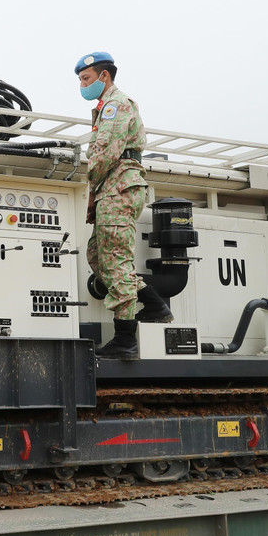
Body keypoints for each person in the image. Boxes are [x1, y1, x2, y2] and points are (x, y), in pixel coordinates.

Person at [77, 52, 173, 360]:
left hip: (118, 185)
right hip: (113, 187)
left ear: (103, 76)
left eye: (86, 78)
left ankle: (125, 339)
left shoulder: (116, 105)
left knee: (115, 260)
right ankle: (155, 305)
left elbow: (105, 152)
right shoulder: (107, 106)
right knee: (98, 255)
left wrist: (89, 174)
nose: (82, 84)